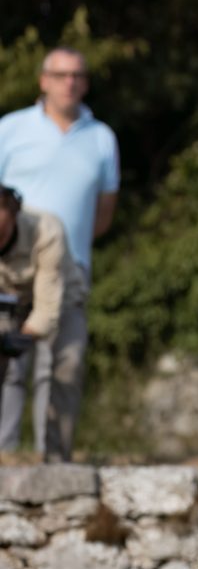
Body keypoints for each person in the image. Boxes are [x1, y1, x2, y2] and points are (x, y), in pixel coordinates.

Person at [0, 46, 120, 459]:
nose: (70, 82)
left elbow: (104, 212)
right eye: (61, 74)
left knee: (62, 365)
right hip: (11, 270)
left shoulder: (102, 137)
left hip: (69, 268)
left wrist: (71, 248)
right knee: (8, 358)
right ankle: (5, 456)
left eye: (78, 76)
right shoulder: (10, 129)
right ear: (43, 80)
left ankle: (54, 464)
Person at [0, 186, 87, 461]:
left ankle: (56, 458)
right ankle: (3, 452)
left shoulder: (47, 230)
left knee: (68, 365)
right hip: (9, 303)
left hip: (60, 300)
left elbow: (47, 310)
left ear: (13, 217)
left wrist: (15, 342)